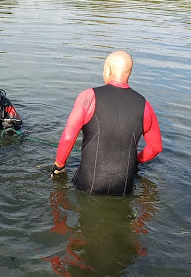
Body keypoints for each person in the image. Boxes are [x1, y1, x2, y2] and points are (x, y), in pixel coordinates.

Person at [51, 51, 162, 195]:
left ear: (108, 70)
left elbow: (68, 136)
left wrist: (59, 166)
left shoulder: (88, 96)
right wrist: (136, 161)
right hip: (124, 189)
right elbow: (156, 147)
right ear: (129, 73)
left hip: (86, 186)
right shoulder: (145, 105)